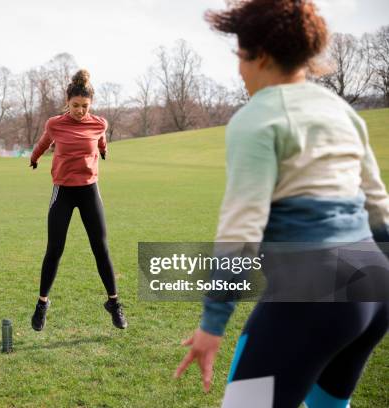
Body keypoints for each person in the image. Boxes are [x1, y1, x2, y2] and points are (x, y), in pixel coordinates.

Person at [174, 1, 389, 407]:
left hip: (313, 293)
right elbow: (379, 210)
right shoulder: (341, 111)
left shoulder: (257, 118)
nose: (239, 69)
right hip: (373, 288)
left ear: (262, 56)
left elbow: (241, 233)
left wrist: (212, 324)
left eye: (240, 56)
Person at [29, 69, 127, 331]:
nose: (80, 111)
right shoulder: (55, 124)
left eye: (85, 106)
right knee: (55, 249)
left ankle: (114, 303)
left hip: (89, 190)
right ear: (67, 102)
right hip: (63, 191)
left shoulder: (99, 123)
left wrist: (104, 151)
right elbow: (43, 142)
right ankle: (42, 304)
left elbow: (101, 140)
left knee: (101, 248)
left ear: (90, 105)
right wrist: (34, 158)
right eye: (75, 106)